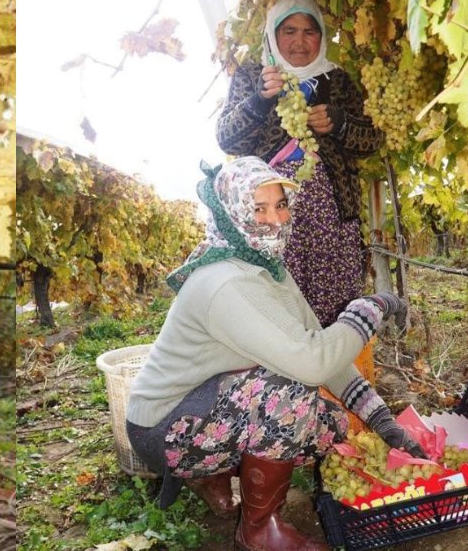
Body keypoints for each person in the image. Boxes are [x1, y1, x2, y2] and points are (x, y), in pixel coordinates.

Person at [126, 158, 422, 551]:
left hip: (207, 401)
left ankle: (213, 474)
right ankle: (259, 531)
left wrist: (382, 421)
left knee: (328, 426)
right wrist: (370, 309)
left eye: (280, 205)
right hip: (161, 428)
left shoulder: (268, 269)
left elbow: (322, 348)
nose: (275, 219)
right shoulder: (224, 282)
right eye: (258, 209)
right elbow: (312, 363)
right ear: (230, 215)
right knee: (290, 391)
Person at [216, 0, 385, 330]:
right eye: (289, 30)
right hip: (270, 213)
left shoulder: (337, 80)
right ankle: (285, 378)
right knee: (276, 304)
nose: (299, 41)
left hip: (332, 215)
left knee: (334, 303)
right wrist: (260, 100)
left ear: (321, 37)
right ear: (273, 35)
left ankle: (334, 375)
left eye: (310, 32)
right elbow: (228, 138)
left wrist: (342, 123)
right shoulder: (254, 76)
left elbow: (371, 140)